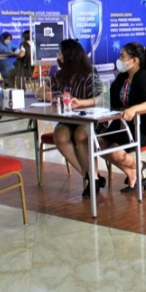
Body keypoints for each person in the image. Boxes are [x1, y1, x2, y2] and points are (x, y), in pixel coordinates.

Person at [98, 42, 146, 192]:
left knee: (113, 151)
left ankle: (138, 165)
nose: (120, 59)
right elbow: (107, 97)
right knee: (99, 144)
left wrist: (133, 109)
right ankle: (132, 173)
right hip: (126, 125)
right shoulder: (123, 77)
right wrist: (82, 103)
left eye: (123, 56)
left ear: (134, 60)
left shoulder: (144, 77)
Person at [47, 39, 103, 198]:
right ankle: (90, 175)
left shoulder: (89, 74)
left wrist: (81, 103)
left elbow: (101, 98)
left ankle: (93, 178)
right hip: (68, 118)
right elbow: (43, 88)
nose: (58, 56)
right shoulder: (61, 75)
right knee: (60, 135)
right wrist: (47, 94)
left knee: (81, 134)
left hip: (88, 119)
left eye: (60, 53)